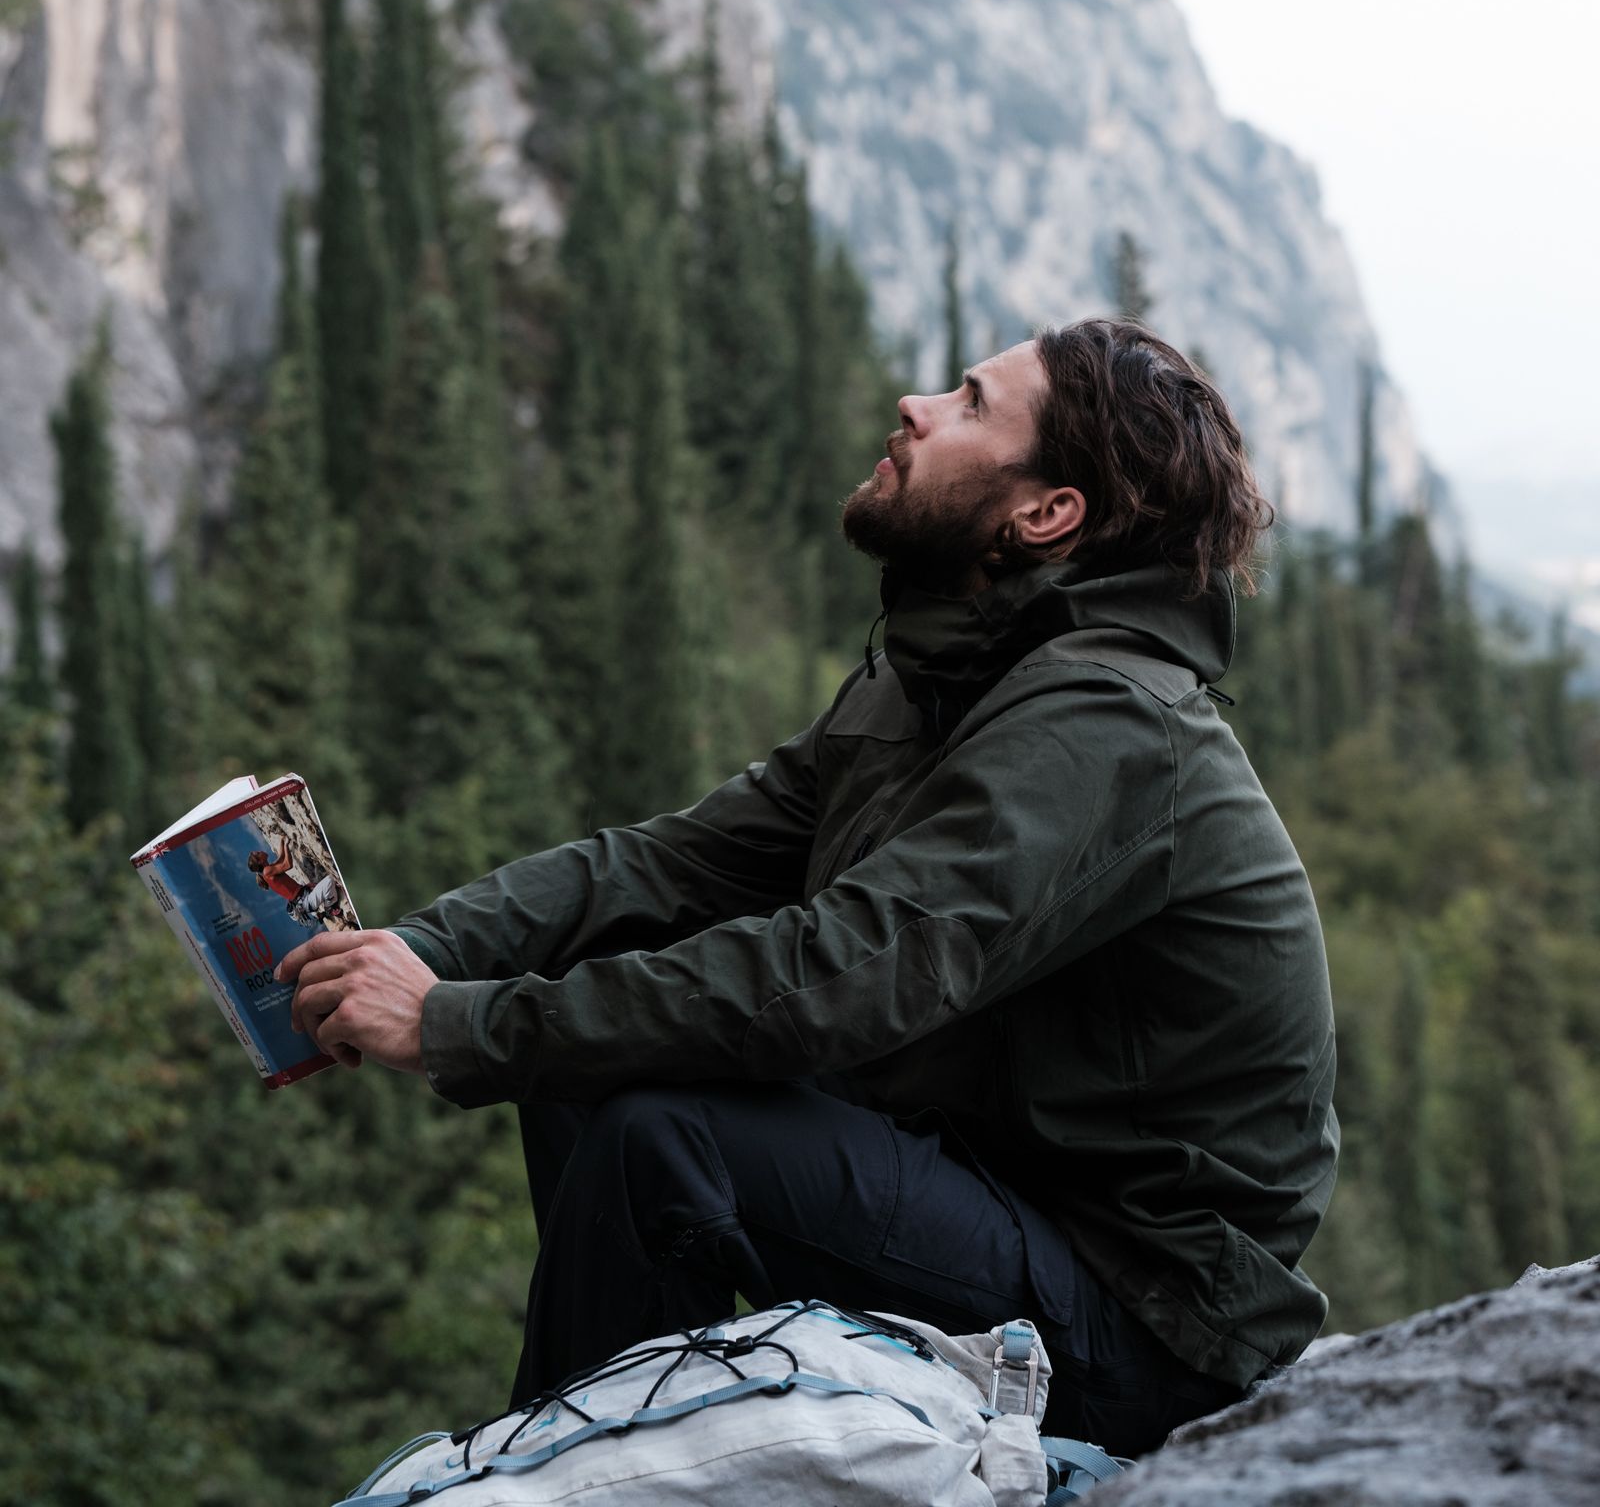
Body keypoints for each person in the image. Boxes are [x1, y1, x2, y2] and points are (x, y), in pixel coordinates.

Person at [279, 317, 1339, 1456]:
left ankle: (561, 1471)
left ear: (1045, 514)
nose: (916, 406)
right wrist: (411, 952)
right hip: (991, 1186)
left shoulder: (1106, 723)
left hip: (1144, 1316)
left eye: (972, 405)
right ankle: (613, 1453)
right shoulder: (938, 679)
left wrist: (450, 1025)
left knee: (661, 1126)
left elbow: (835, 976)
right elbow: (666, 863)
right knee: (587, 1054)